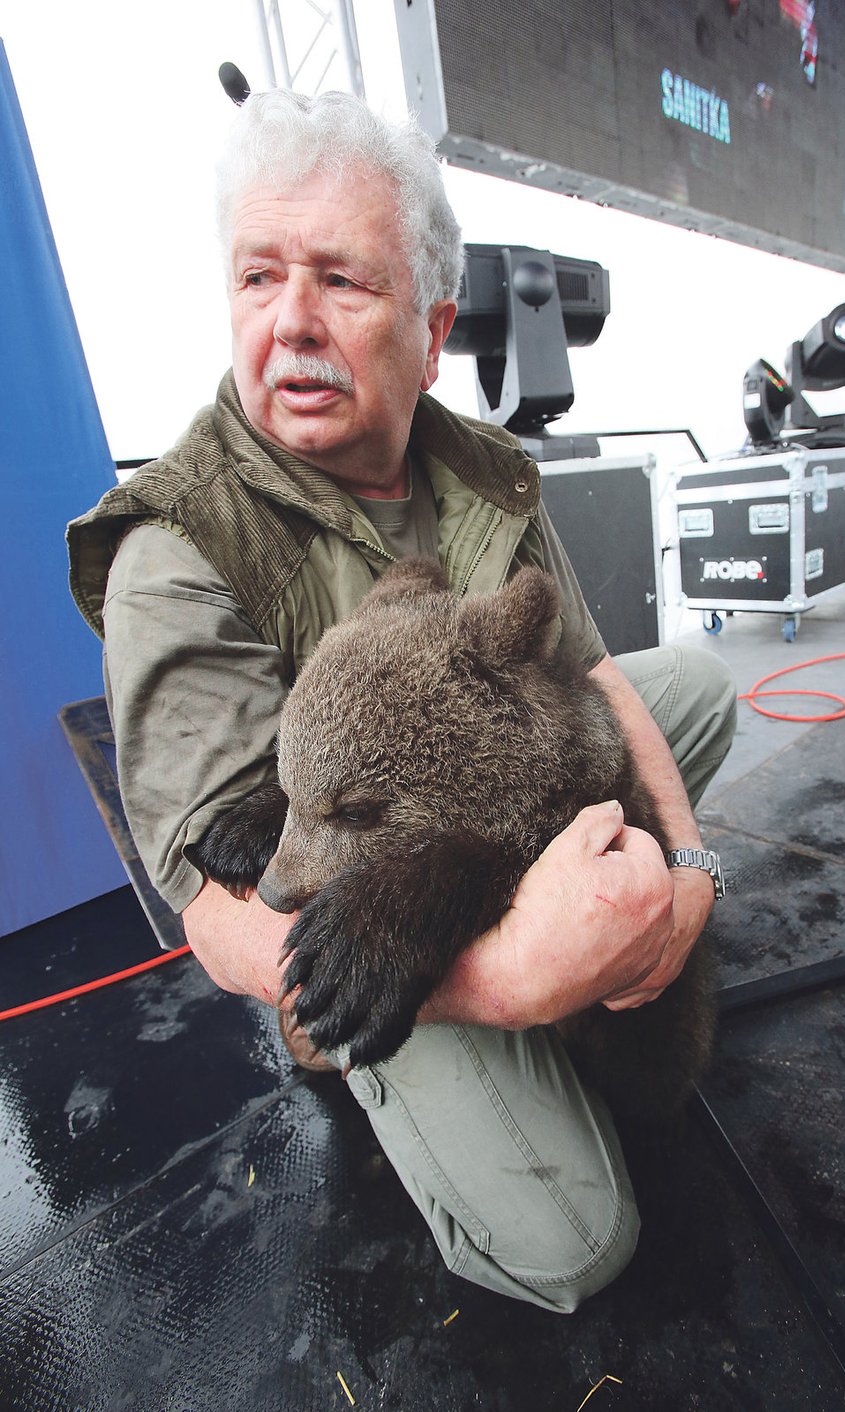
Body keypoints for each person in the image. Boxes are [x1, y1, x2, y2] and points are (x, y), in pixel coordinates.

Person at [68, 89, 737, 1313]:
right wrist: (516, 975)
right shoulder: (178, 545)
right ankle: (421, 1072)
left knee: (691, 685)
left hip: (496, 793)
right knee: (573, 1243)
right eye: (259, 276)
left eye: (342, 281)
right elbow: (231, 911)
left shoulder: (474, 466)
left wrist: (687, 875)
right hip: (357, 930)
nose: (292, 321)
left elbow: (587, 678)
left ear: (431, 333)